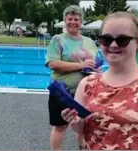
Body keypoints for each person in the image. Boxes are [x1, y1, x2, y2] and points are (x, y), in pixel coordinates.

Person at [61, 12, 138, 150]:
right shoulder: (87, 84)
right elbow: (81, 132)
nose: (113, 45)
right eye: (106, 39)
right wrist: (75, 121)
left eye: (122, 39)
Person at [45, 5, 98, 150]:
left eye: (76, 19)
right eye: (70, 19)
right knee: (60, 126)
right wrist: (81, 65)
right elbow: (53, 63)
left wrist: (96, 71)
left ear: (81, 22)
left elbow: (95, 64)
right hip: (62, 92)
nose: (73, 22)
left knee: (83, 126)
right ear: (65, 20)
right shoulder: (58, 39)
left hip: (85, 92)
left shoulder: (90, 42)